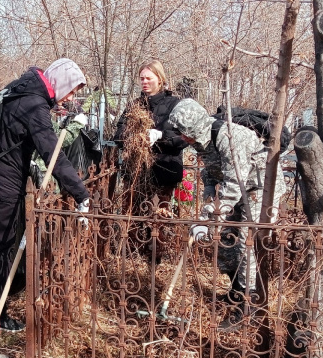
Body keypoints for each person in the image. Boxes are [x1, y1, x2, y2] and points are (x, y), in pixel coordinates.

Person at [0, 58, 91, 331]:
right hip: (4, 182)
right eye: (71, 90)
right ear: (60, 81)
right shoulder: (35, 105)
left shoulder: (19, 89)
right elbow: (53, 155)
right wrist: (80, 193)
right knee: (2, 244)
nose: (71, 97)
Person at [167, 98, 286, 318]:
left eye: (184, 132)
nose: (182, 137)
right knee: (226, 240)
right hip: (238, 190)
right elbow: (210, 174)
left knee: (246, 243)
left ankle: (249, 305)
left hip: (260, 188)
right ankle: (236, 291)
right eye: (180, 133)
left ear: (195, 126)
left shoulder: (230, 137)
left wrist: (210, 216)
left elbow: (233, 184)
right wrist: (208, 202)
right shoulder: (202, 140)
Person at [113, 60, 187, 205]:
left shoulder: (175, 104)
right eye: (142, 78)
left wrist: (160, 136)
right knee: (133, 219)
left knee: (157, 221)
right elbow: (118, 135)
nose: (144, 82)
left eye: (149, 78)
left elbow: (184, 138)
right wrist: (134, 137)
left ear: (160, 79)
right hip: (135, 173)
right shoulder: (134, 105)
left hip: (164, 172)